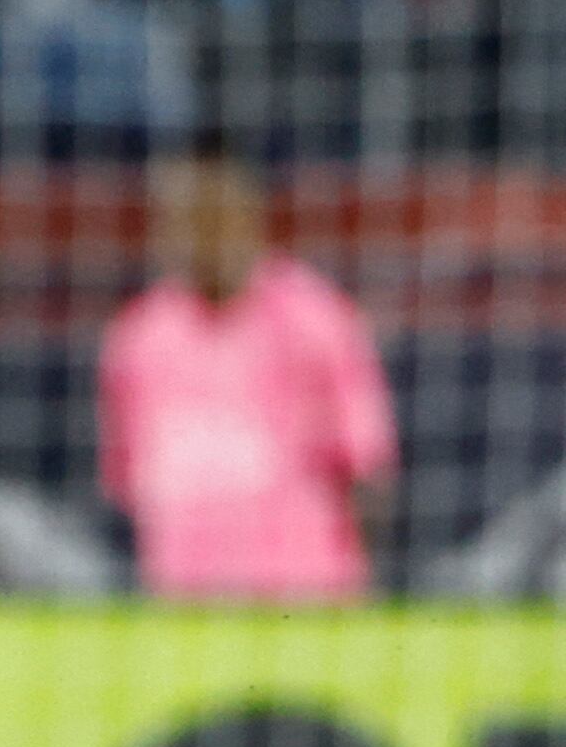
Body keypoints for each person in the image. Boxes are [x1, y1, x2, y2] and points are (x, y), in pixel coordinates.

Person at [97, 145, 396, 599]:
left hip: (304, 594)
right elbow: (125, 483)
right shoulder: (139, 338)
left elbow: (367, 469)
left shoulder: (316, 318)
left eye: (216, 220)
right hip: (181, 600)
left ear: (251, 221)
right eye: (186, 223)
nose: (202, 239)